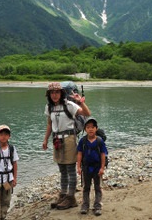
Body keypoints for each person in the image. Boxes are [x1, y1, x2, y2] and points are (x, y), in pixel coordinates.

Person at [42, 82, 91, 210]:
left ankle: (71, 198)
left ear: (61, 93)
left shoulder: (69, 105)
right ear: (49, 95)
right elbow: (49, 124)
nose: (54, 95)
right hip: (56, 140)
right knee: (62, 170)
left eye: (57, 92)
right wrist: (45, 139)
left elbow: (87, 113)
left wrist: (81, 102)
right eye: (52, 93)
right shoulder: (49, 107)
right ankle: (63, 195)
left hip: (69, 139)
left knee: (70, 169)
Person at [76, 117, 107, 216]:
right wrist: (78, 167)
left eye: (93, 127)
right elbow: (79, 153)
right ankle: (85, 205)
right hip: (86, 167)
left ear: (96, 129)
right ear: (85, 129)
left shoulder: (99, 141)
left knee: (97, 187)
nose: (90, 129)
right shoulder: (83, 141)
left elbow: (103, 154)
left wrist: (102, 168)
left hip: (97, 167)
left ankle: (97, 206)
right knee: (86, 187)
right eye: (88, 127)